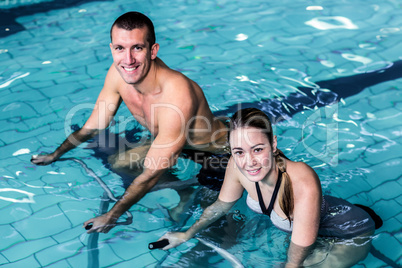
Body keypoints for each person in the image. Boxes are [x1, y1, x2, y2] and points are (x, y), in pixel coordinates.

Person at [30, 11, 230, 233]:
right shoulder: (118, 73)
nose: (128, 60)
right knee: (121, 163)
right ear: (112, 49)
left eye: (137, 48)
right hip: (180, 143)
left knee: (217, 221)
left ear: (153, 50)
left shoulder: (176, 94)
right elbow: (93, 125)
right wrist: (55, 154)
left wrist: (112, 215)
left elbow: (152, 172)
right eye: (120, 48)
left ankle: (195, 192)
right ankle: (185, 191)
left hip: (219, 151)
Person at [159, 108, 380, 267]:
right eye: (239, 151)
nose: (249, 162)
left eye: (257, 149)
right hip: (314, 229)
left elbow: (295, 262)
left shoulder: (301, 180)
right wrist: (186, 234)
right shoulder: (237, 167)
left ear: (273, 144)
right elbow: (220, 206)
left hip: (349, 234)